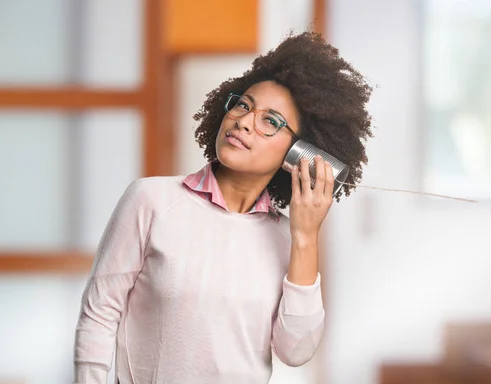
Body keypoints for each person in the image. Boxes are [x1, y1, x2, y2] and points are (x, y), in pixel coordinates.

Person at [74, 31, 373, 384]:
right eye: (243, 105)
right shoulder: (151, 200)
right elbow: (99, 313)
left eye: (270, 121)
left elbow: (295, 351)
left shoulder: (287, 241)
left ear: (299, 153)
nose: (244, 121)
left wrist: (306, 236)